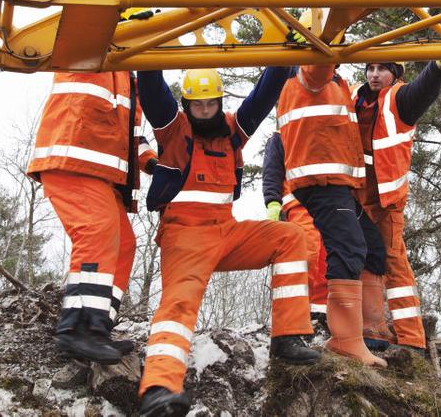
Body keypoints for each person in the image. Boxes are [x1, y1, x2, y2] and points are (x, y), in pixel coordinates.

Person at [136, 67, 319, 417]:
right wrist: (148, 58)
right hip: (185, 235)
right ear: (185, 104)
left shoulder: (233, 130)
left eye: (210, 104)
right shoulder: (172, 128)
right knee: (178, 306)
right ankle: (159, 388)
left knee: (290, 237)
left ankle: (288, 337)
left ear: (219, 102)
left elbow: (262, 98)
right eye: (197, 105)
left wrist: (282, 63)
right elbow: (152, 90)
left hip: (227, 231)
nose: (204, 111)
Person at [27, 70, 156, 364]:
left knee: (124, 243)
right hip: (72, 159)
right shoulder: (89, 45)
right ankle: (76, 327)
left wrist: (150, 163)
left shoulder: (126, 76)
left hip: (97, 171)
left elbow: (129, 133)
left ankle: (98, 328)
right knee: (97, 232)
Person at [277, 53, 388, 368]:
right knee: (349, 249)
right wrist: (336, 20)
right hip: (320, 181)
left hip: (337, 183)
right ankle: (346, 339)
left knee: (371, 248)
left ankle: (366, 330)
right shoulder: (311, 73)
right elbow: (320, 57)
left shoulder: (335, 81)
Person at [352, 60, 441, 354]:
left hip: (384, 201)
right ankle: (371, 330)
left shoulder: (399, 99)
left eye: (382, 69)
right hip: (352, 195)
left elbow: (425, 89)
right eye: (369, 68)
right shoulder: (352, 96)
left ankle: (411, 339)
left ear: (395, 74)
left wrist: (439, 67)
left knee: (393, 263)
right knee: (356, 260)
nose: (373, 74)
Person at [262, 132, 329, 324]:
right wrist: (273, 202)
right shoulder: (281, 136)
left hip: (327, 205)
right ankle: (293, 313)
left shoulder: (322, 128)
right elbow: (272, 172)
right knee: (304, 255)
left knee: (326, 260)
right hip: (299, 205)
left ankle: (320, 312)